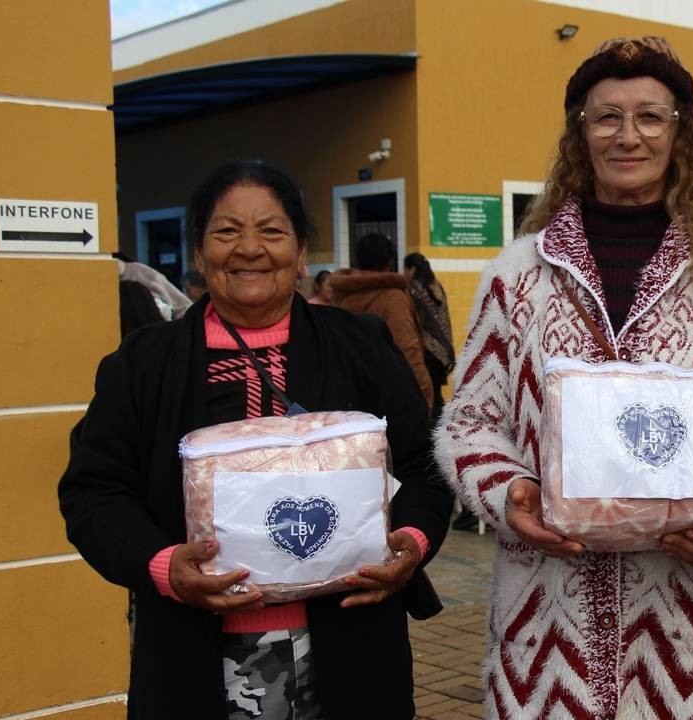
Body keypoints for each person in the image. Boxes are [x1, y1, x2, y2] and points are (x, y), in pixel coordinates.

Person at [434, 37, 693, 718]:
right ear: (580, 136)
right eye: (607, 117)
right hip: (549, 635)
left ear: (680, 134)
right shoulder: (518, 276)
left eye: (650, 117)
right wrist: (508, 491)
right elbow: (469, 423)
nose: (628, 136)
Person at [59, 160, 452, 719]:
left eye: (271, 231)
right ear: (199, 251)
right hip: (193, 654)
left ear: (301, 248)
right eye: (226, 231)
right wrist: (164, 565)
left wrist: (410, 542)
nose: (249, 249)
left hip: (349, 649)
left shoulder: (360, 346)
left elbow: (427, 464)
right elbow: (92, 493)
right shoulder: (144, 364)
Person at [328, 233, 434, 412]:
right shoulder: (392, 298)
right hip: (387, 402)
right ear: (390, 263)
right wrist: (424, 397)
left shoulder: (340, 294)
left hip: (346, 397)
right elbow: (407, 350)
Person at [403, 252, 454, 412]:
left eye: (405, 270)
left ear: (411, 269)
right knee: (437, 394)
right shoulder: (436, 286)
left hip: (426, 351)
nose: (404, 274)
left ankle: (431, 431)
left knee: (426, 396)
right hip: (442, 351)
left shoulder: (414, 290)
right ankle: (439, 430)